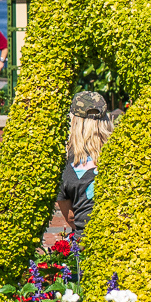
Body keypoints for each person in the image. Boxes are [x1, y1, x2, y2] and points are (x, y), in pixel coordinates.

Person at [57, 91, 113, 237]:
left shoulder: (64, 162)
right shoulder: (119, 153)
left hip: (84, 242)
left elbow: (70, 217)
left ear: (74, 121)